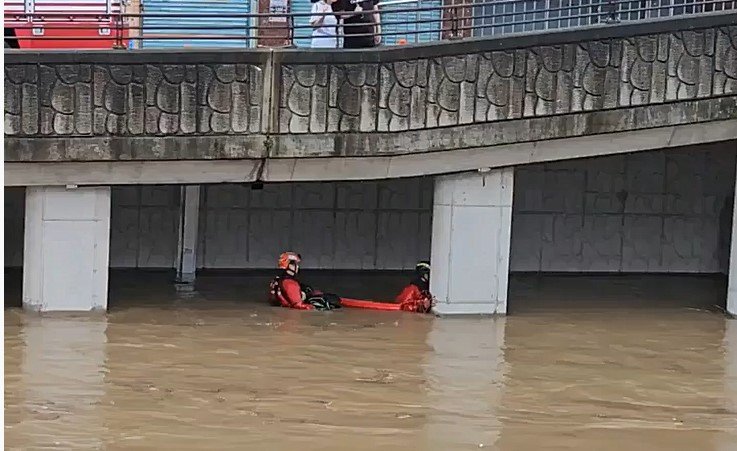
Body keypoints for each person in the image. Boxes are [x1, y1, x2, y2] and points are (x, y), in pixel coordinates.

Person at [269, 252, 341, 311]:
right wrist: (315, 307)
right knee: (334, 300)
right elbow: (298, 305)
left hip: (283, 308)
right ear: (289, 265)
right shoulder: (290, 283)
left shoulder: (278, 280)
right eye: (295, 265)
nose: (297, 267)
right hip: (293, 311)